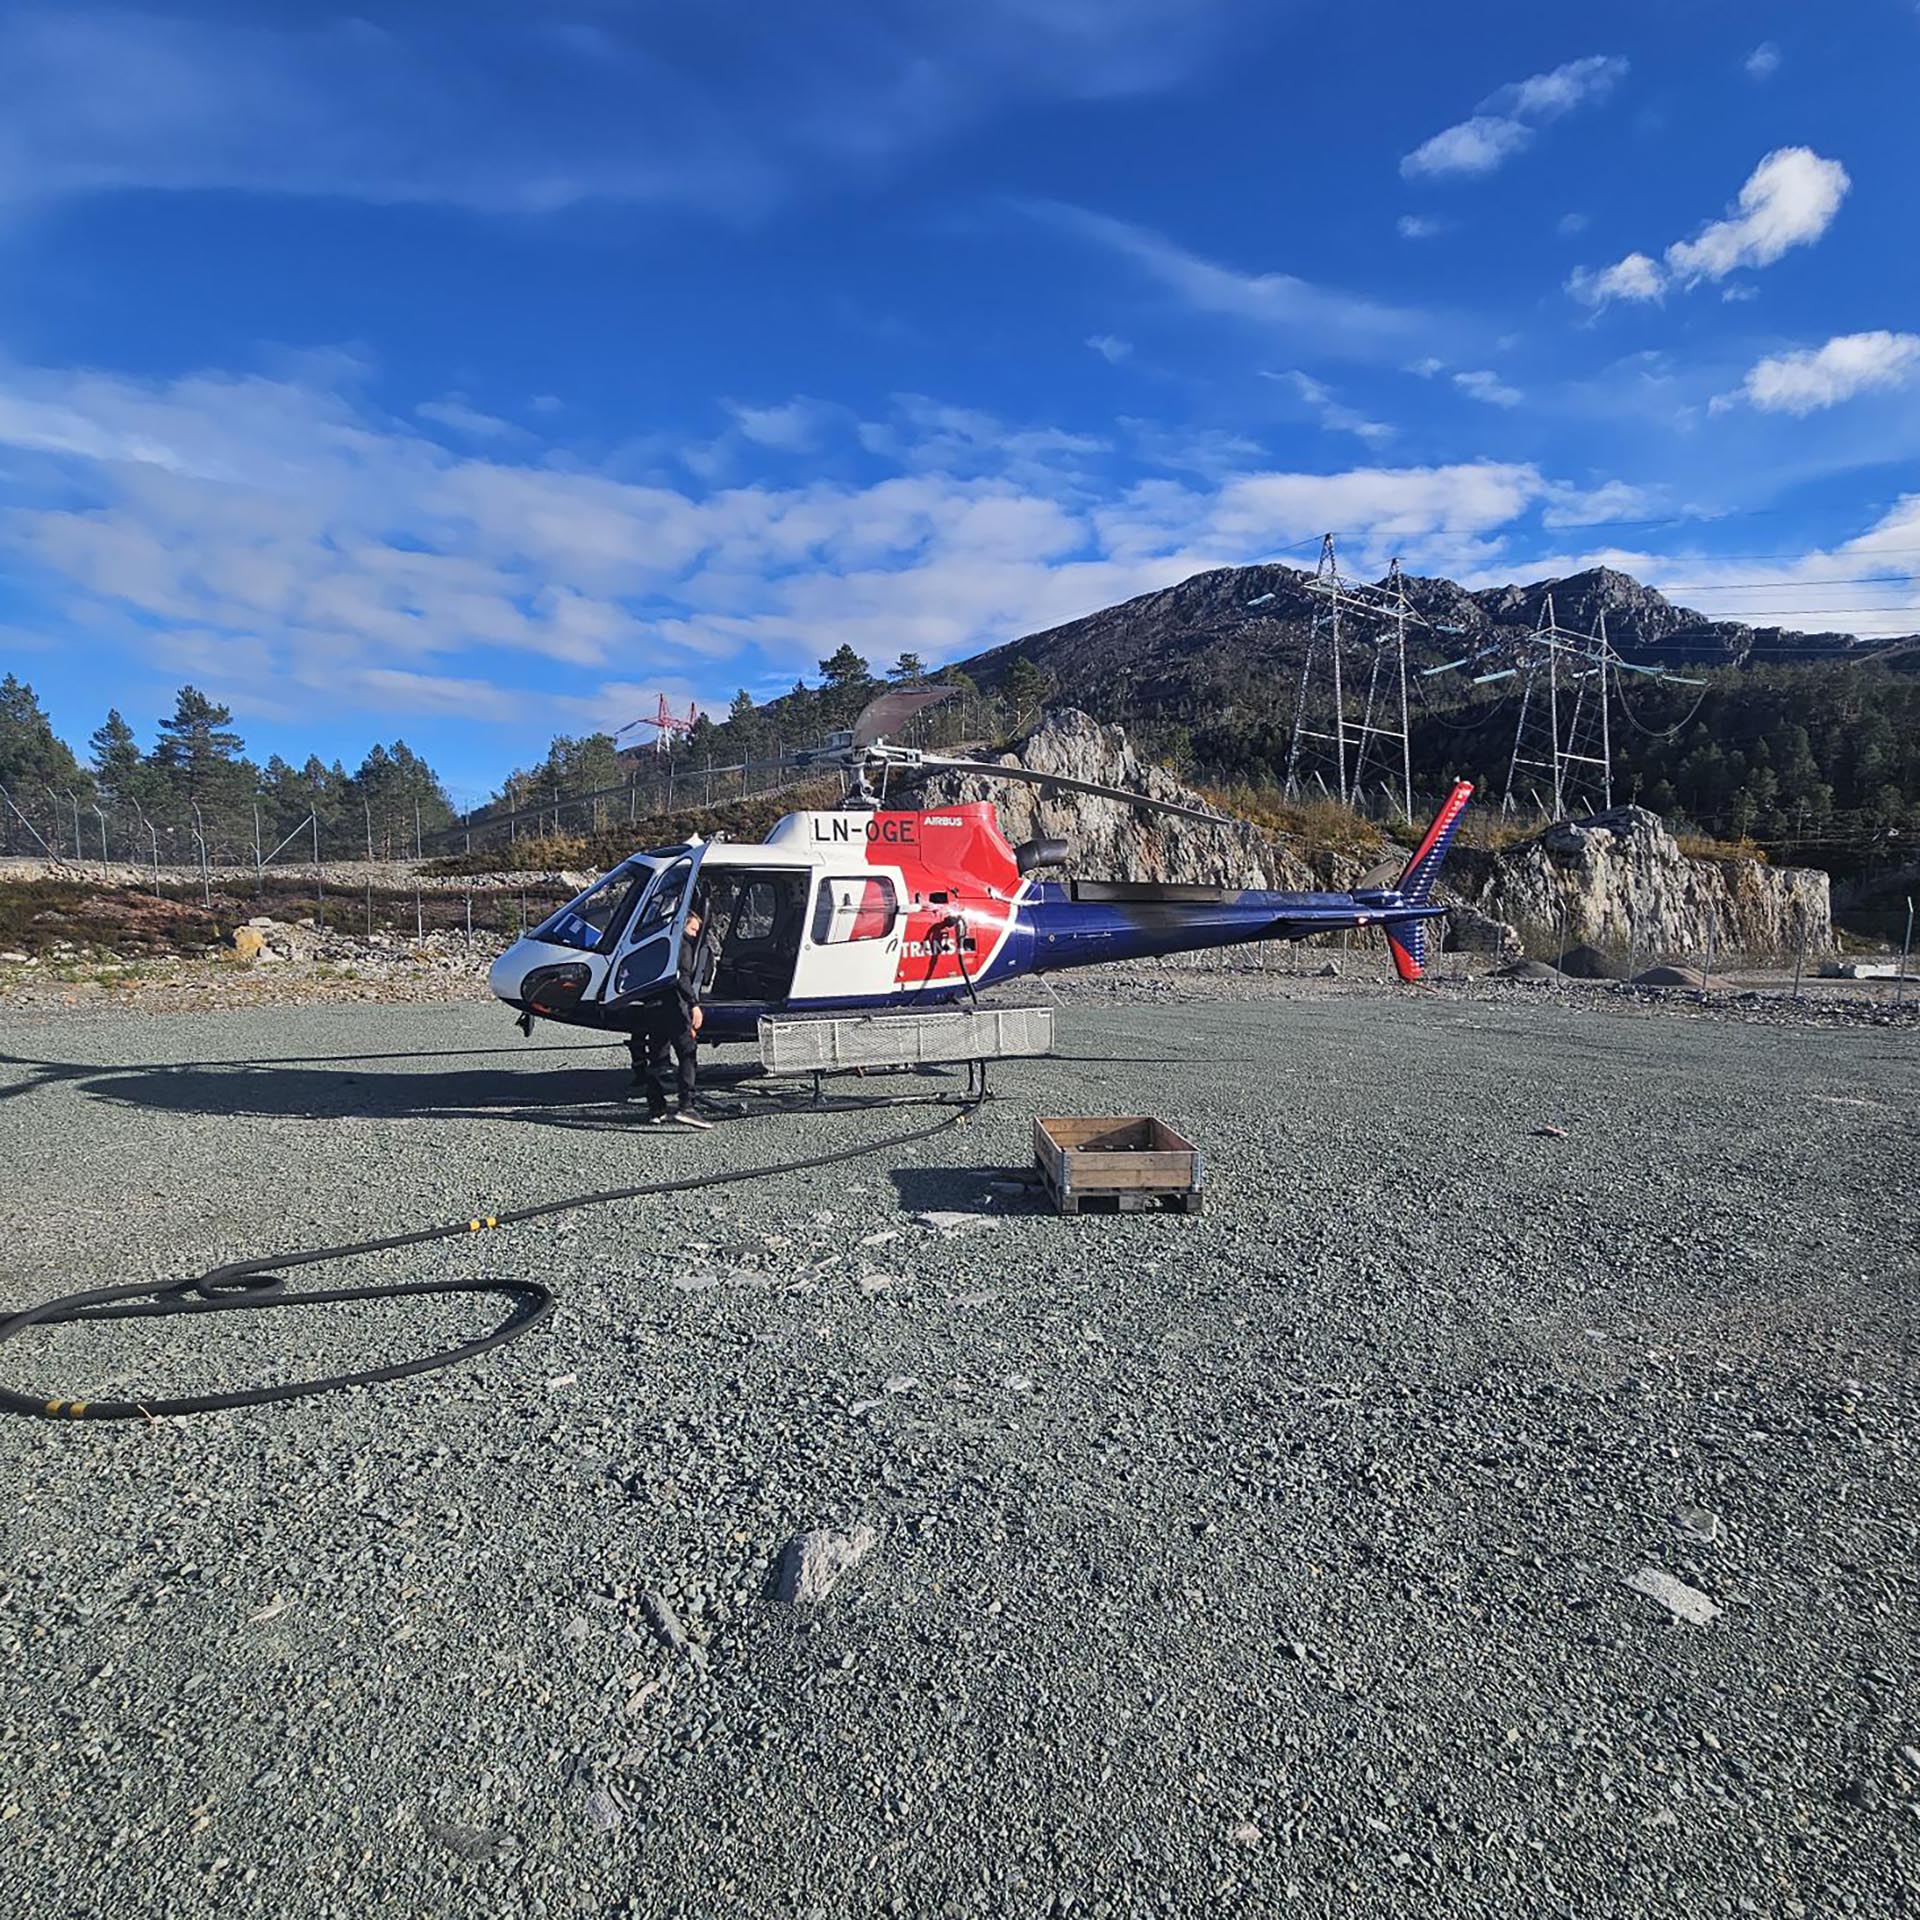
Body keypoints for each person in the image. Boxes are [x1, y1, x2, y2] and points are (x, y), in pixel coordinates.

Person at [631, 899, 718, 1127]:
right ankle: (686, 1105)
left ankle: (656, 1107)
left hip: (653, 1006)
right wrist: (694, 1004)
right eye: (692, 928)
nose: (694, 933)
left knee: (658, 1056)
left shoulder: (660, 943)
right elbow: (681, 977)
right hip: (674, 1007)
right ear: (683, 926)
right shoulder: (683, 945)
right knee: (687, 1052)